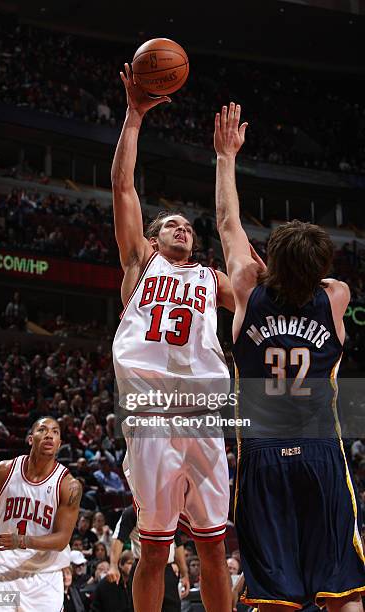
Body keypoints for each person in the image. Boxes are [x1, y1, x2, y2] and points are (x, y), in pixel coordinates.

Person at [214, 102, 365, 610]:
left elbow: (226, 221)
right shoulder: (336, 296)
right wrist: (292, 274)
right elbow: (317, 280)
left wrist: (226, 156)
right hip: (321, 455)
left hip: (262, 459)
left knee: (275, 600)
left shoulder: (246, 288)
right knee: (343, 592)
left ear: (271, 260)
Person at [111, 63, 240, 612]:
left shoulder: (212, 279)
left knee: (213, 550)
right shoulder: (141, 261)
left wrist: (227, 161)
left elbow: (260, 296)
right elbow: (122, 186)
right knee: (154, 551)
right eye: (172, 224)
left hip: (205, 412)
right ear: (153, 236)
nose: (183, 228)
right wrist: (134, 117)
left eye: (189, 225)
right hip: (152, 410)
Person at [0, 417, 82, 611]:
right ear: (30, 439)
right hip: (1, 569)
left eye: (55, 432)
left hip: (43, 576)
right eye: (43, 430)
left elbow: (62, 539)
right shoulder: (4, 471)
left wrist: (22, 541)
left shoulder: (69, 486)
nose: (49, 435)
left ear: (59, 445)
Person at [107, 504, 190, 611]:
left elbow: (177, 544)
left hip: (167, 570)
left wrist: (184, 574)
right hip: (143, 569)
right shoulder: (131, 512)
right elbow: (118, 538)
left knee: (171, 608)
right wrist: (113, 565)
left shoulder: (170, 510)